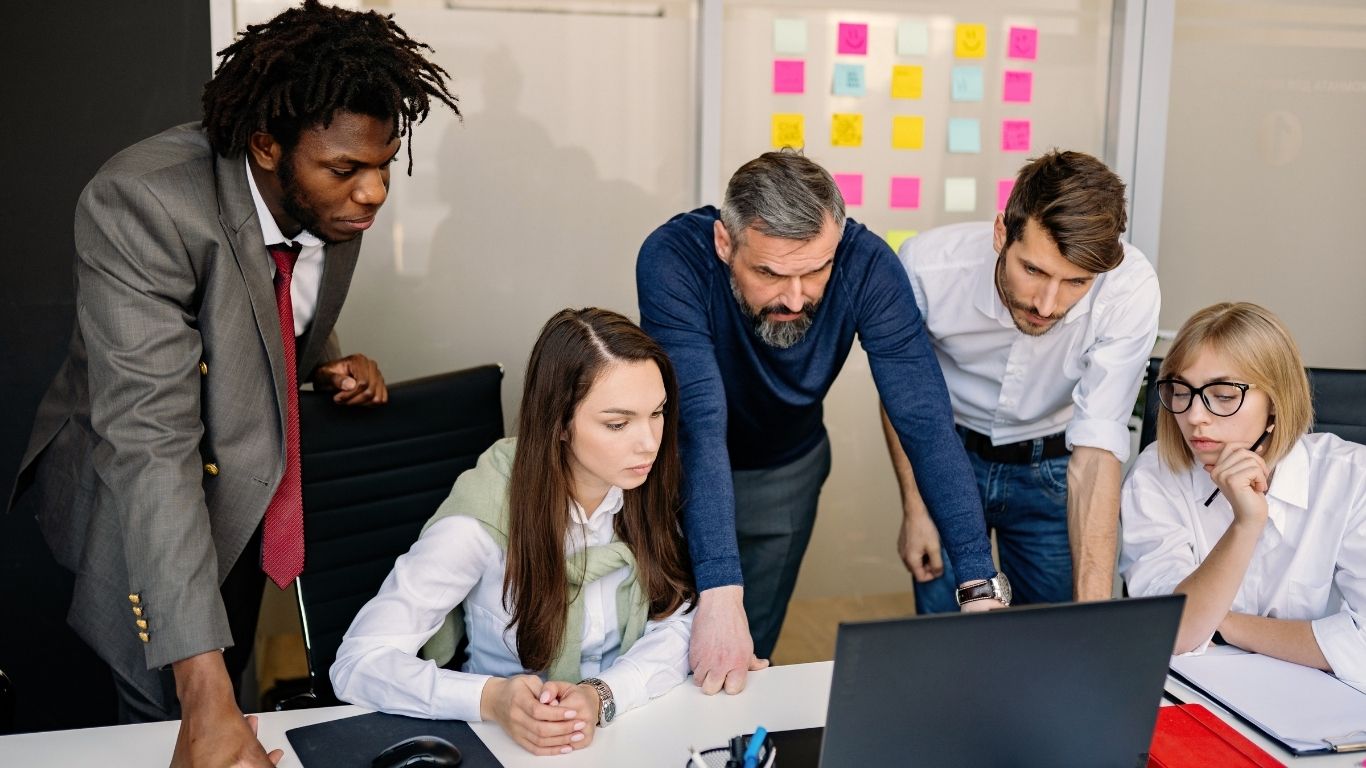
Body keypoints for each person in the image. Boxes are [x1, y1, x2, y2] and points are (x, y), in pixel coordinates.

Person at [7, 2, 459, 764]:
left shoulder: (332, 198)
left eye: (384, 165)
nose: (375, 192)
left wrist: (320, 357)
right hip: (139, 499)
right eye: (348, 170)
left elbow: (270, 294)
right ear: (266, 146)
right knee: (169, 715)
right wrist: (205, 692)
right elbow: (151, 446)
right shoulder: (144, 204)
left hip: (250, 491)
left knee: (233, 685)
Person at [637, 150, 1006, 696]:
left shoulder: (867, 264)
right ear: (724, 244)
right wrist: (718, 588)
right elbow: (699, 419)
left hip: (785, 471)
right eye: (769, 272)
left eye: (815, 271)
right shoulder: (674, 257)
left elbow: (924, 417)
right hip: (664, 470)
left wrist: (979, 581)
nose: (795, 296)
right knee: (649, 643)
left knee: (741, 653)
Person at [331, 308, 695, 755]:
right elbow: (356, 664)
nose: (649, 443)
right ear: (559, 423)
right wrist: (491, 699)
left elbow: (683, 620)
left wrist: (602, 694)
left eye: (656, 413)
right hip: (501, 746)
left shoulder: (644, 483)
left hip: (628, 732)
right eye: (617, 424)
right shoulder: (482, 518)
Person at [884, 150, 1159, 612]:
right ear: (1001, 234)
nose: (1048, 304)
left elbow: (1097, 448)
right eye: (1033, 270)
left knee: (1051, 639)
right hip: (944, 455)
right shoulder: (926, 269)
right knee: (946, 646)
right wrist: (915, 507)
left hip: (1053, 467)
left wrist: (1093, 618)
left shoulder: (1128, 290)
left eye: (1076, 282)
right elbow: (906, 399)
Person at [1120, 302, 1365, 688]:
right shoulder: (1157, 474)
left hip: (1321, 704)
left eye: (1222, 395)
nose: (1195, 416)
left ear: (1275, 403)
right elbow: (1172, 634)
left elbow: (1362, 649)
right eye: (1181, 391)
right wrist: (1246, 524)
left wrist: (1227, 624)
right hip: (1198, 697)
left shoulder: (1353, 478)